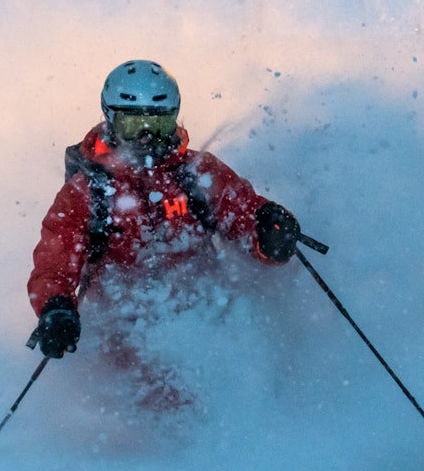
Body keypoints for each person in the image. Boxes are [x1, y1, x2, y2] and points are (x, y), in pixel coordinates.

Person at [27, 59, 302, 411]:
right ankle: (172, 455)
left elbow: (244, 215)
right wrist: (56, 308)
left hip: (204, 308)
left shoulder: (196, 174)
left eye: (157, 124)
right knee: (166, 397)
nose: (146, 139)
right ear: (110, 119)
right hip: (123, 326)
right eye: (133, 125)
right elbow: (55, 260)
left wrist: (270, 232)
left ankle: (266, 423)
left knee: (251, 375)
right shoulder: (87, 192)